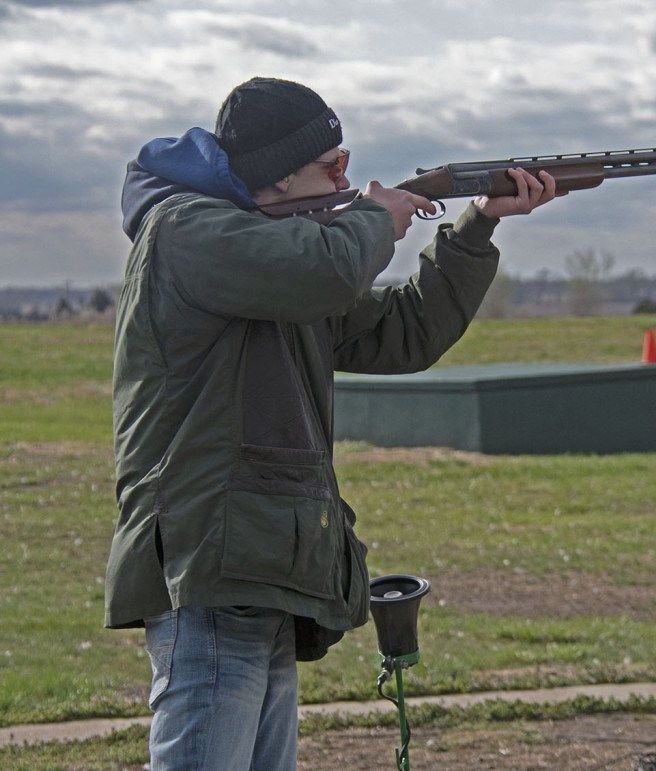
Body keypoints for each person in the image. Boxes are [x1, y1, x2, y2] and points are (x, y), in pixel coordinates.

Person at [105, 76, 560, 770]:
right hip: (215, 568)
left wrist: (478, 222)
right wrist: (376, 217)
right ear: (276, 173)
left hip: (259, 567)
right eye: (331, 165)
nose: (345, 175)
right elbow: (327, 267)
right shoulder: (189, 231)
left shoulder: (279, 255)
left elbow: (406, 330)